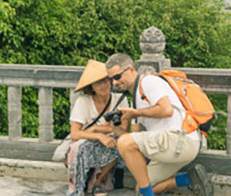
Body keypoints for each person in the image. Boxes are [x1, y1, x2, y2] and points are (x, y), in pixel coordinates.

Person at [105, 53, 213, 196]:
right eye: (111, 79)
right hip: (174, 145)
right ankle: (188, 179)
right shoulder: (135, 97)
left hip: (180, 139)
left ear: (131, 70)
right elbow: (134, 137)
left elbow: (166, 110)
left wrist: (136, 113)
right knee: (140, 189)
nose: (114, 83)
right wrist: (114, 128)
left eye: (117, 77)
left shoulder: (149, 82)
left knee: (126, 145)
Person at [67, 59, 128, 196]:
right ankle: (79, 184)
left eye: (106, 81)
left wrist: (97, 129)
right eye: (98, 83)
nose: (103, 86)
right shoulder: (83, 101)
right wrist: (99, 134)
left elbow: (122, 131)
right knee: (82, 147)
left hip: (110, 143)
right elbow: (75, 134)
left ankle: (97, 180)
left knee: (121, 142)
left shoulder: (120, 99)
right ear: (91, 87)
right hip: (89, 142)